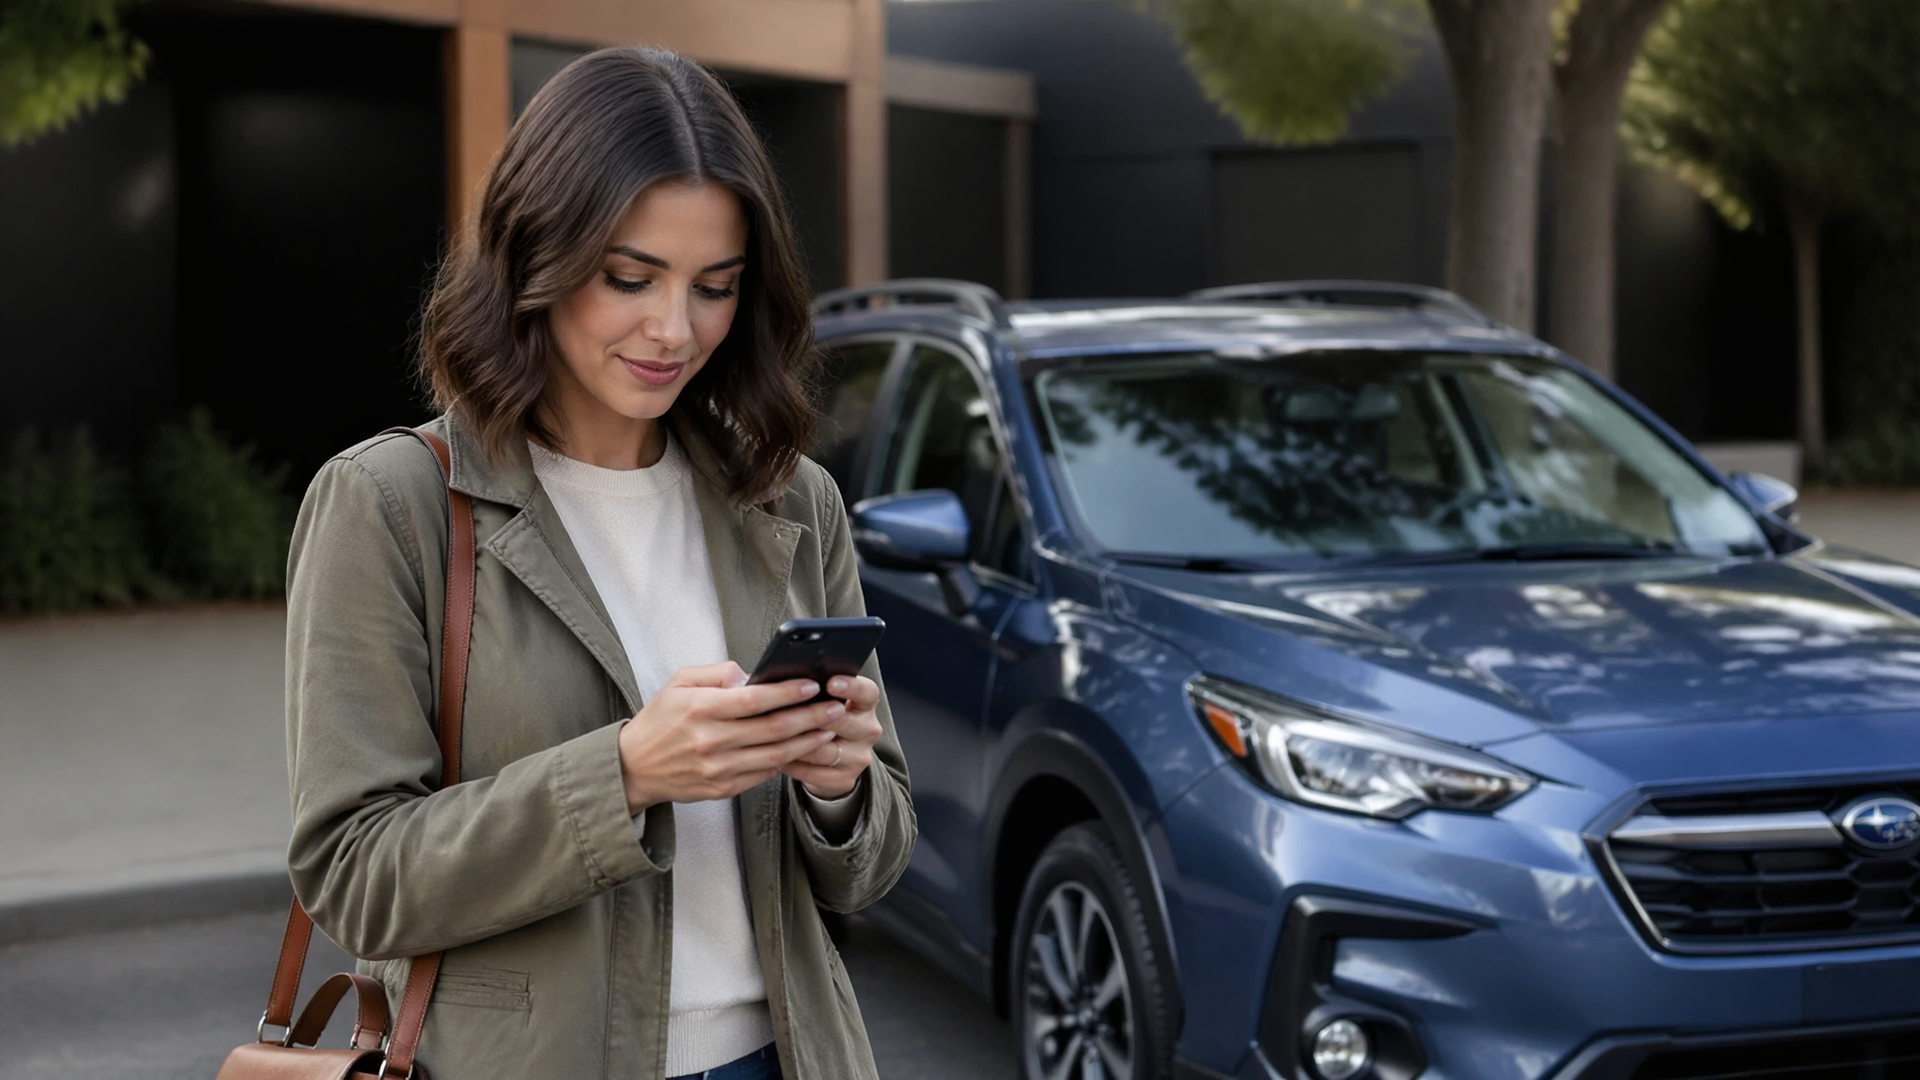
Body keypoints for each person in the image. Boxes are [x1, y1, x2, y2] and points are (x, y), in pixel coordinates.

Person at [283, 46, 914, 1080]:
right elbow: (352, 878)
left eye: (715, 287)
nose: (674, 329)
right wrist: (624, 775)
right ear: (536, 254)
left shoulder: (791, 501)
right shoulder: (390, 505)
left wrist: (840, 786)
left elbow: (870, 868)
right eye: (630, 277)